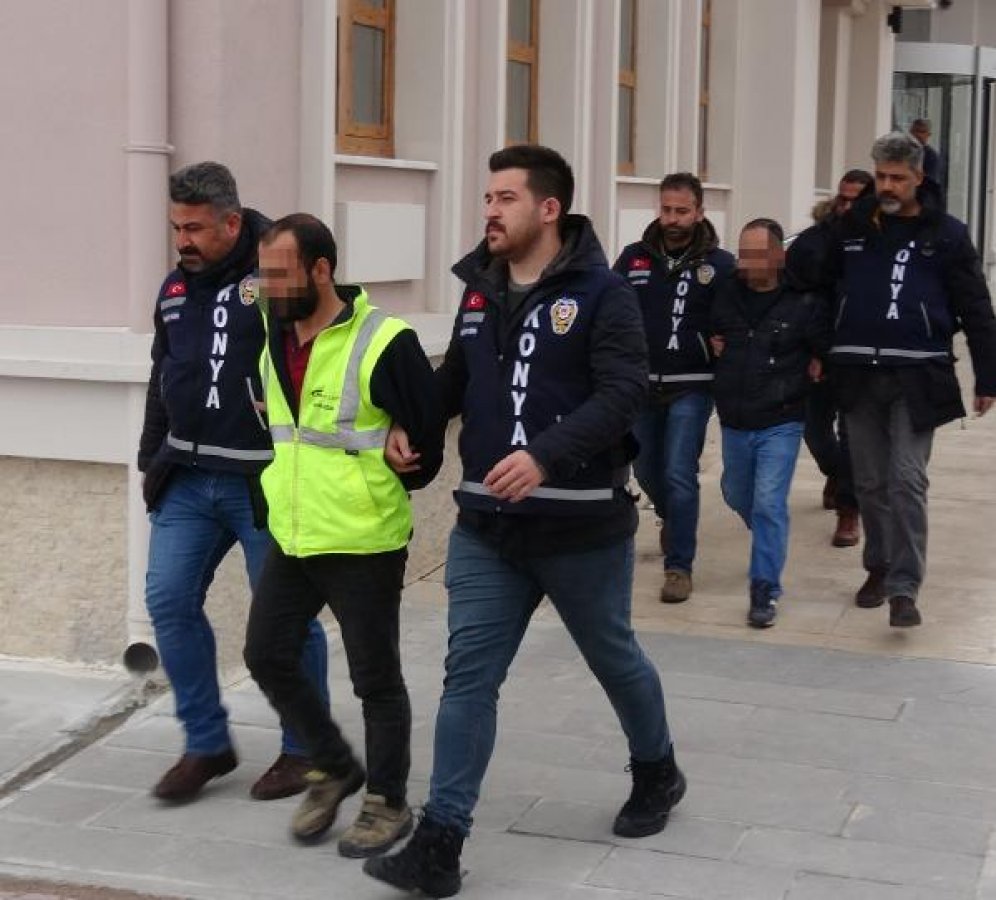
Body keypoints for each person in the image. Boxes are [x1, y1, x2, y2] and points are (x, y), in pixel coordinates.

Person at [364, 145, 684, 898]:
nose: (489, 211)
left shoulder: (605, 295)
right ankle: (441, 842)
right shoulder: (480, 291)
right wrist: (411, 423)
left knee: (613, 657)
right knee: (468, 677)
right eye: (486, 197)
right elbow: (456, 378)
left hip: (580, 527)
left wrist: (543, 457)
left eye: (504, 198)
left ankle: (657, 769)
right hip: (487, 529)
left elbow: (623, 393)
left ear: (549, 209)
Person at [243, 214, 443, 858]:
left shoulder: (385, 339)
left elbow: (429, 429)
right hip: (296, 532)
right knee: (266, 653)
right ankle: (332, 763)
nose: (269, 286)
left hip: (363, 537)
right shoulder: (273, 336)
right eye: (263, 273)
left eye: (280, 273)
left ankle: (387, 801)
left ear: (321, 270)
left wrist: (409, 453)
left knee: (374, 678)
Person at [138, 162, 330, 803]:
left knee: (285, 621)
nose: (182, 241)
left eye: (193, 228)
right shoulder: (174, 287)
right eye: (176, 227)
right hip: (187, 477)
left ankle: (305, 749)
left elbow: (321, 348)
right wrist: (151, 457)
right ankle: (206, 743)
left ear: (230, 220)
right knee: (167, 601)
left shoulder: (278, 269)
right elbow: (161, 371)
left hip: (263, 482)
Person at [824, 132, 996, 626]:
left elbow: (976, 307)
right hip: (857, 372)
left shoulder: (947, 234)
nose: (888, 186)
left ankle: (904, 587)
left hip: (918, 374)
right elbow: (813, 282)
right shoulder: (852, 229)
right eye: (881, 176)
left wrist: (987, 374)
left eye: (898, 177)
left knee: (906, 479)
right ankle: (878, 567)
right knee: (872, 482)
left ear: (919, 179)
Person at [613, 173, 735, 602]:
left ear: (699, 212)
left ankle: (679, 567)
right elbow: (610, 312)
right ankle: (672, 518)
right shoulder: (633, 260)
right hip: (640, 385)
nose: (672, 219)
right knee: (646, 469)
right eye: (666, 209)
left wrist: (722, 343)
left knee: (679, 473)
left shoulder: (720, 265)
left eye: (681, 211)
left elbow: (734, 320)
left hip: (693, 384)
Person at [711, 219, 830, 628]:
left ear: (778, 256)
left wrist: (820, 364)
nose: (748, 262)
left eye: (758, 254)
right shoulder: (725, 293)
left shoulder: (803, 301)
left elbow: (822, 348)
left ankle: (765, 589)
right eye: (744, 253)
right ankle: (767, 535)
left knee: (768, 503)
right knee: (735, 492)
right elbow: (703, 328)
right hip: (734, 418)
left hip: (782, 418)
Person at [787, 170, 874, 548]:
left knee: (853, 435)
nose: (847, 205)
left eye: (856, 198)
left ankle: (848, 511)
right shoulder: (811, 243)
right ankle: (836, 473)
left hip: (862, 356)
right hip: (817, 353)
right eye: (843, 197)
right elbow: (793, 298)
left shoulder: (881, 244)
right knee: (815, 430)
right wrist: (809, 349)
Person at [909, 118, 946, 204]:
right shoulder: (902, 151)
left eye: (922, 132)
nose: (918, 135)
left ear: (928, 135)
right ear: (910, 132)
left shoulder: (931, 156)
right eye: (916, 131)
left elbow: (930, 182)